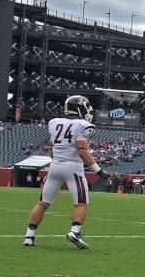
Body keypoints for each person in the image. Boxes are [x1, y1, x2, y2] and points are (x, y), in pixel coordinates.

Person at [23, 95, 110, 249]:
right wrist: (99, 171)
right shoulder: (84, 125)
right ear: (81, 109)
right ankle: (74, 232)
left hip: (55, 166)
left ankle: (29, 237)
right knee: (81, 204)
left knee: (43, 203)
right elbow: (82, 150)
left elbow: (52, 146)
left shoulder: (54, 122)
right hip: (73, 167)